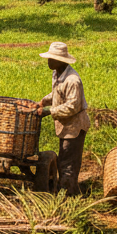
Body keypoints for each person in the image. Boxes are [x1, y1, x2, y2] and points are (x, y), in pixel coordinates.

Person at [38, 41, 90, 197]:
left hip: (74, 126)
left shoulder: (73, 80)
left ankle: (68, 195)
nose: (48, 61)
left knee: (68, 163)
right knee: (64, 159)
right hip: (65, 124)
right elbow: (57, 93)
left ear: (61, 60)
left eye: (51, 59)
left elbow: (72, 106)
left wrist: (49, 111)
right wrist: (42, 101)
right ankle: (66, 189)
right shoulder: (58, 73)